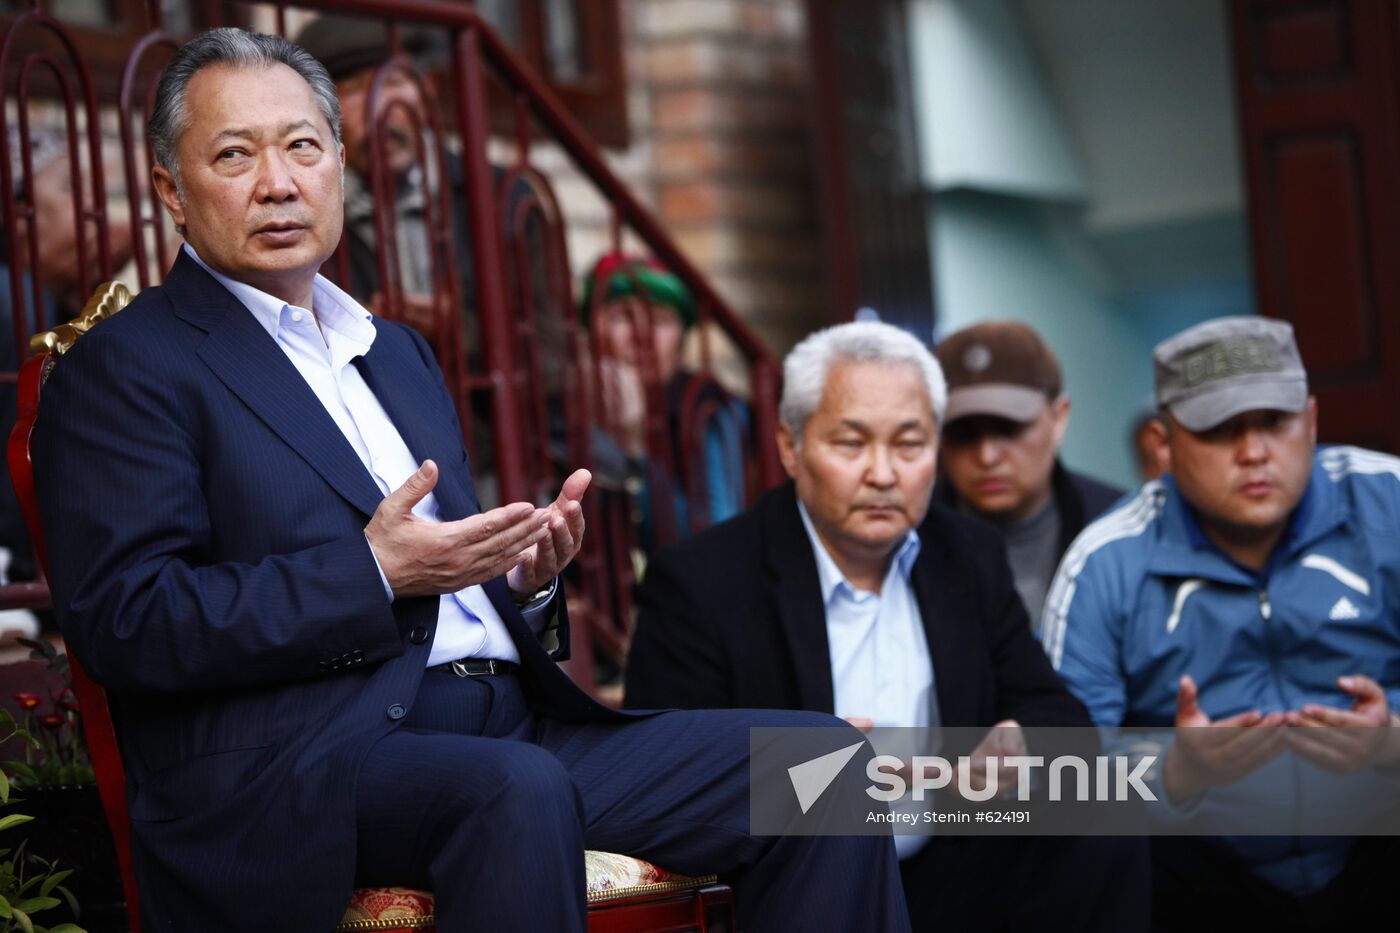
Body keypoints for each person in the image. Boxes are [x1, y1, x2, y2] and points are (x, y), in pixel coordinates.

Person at [30, 29, 909, 932]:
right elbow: (129, 623)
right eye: (234, 155)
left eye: (302, 146)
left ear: (339, 162)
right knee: (513, 790)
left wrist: (522, 580)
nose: (279, 182)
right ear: (172, 191)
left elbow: (442, 571)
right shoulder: (128, 370)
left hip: (506, 726)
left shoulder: (396, 354)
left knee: (822, 769)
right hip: (303, 766)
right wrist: (370, 572)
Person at [625, 320, 1149, 931]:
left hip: (954, 857)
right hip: (799, 874)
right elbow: (662, 771)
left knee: (1104, 809)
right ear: (791, 447)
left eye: (909, 445)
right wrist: (805, 771)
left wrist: (1018, 744)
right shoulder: (703, 580)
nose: (883, 473)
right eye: (850, 444)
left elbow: (1054, 711)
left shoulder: (967, 554)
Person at [1041, 316, 1400, 929]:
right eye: (1221, 430)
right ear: (1163, 443)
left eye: (1275, 423)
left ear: (1310, 420)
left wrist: (1392, 744)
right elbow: (1058, 785)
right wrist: (1177, 771)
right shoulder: (1104, 562)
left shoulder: (1388, 502)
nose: (1255, 452)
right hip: (1199, 881)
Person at [932, 321, 1122, 624]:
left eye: (1009, 428)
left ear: (1058, 418)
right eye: (963, 432)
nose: (987, 456)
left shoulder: (1119, 528)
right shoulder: (904, 540)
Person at [580, 251, 747, 546]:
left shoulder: (705, 407)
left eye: (660, 321)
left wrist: (633, 449)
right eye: (624, 317)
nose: (641, 335)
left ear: (682, 342)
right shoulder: (564, 409)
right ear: (591, 330)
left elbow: (714, 539)